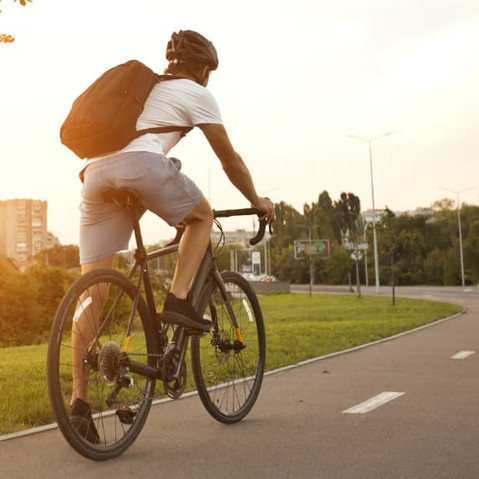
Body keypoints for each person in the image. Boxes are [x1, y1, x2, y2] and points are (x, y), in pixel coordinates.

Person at [70, 30, 275, 442]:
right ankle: (179, 301)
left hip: (94, 176)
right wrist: (258, 200)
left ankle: (78, 405)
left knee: (93, 295)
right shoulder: (195, 92)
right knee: (202, 217)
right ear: (203, 70)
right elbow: (229, 159)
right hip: (141, 166)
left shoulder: (148, 90)